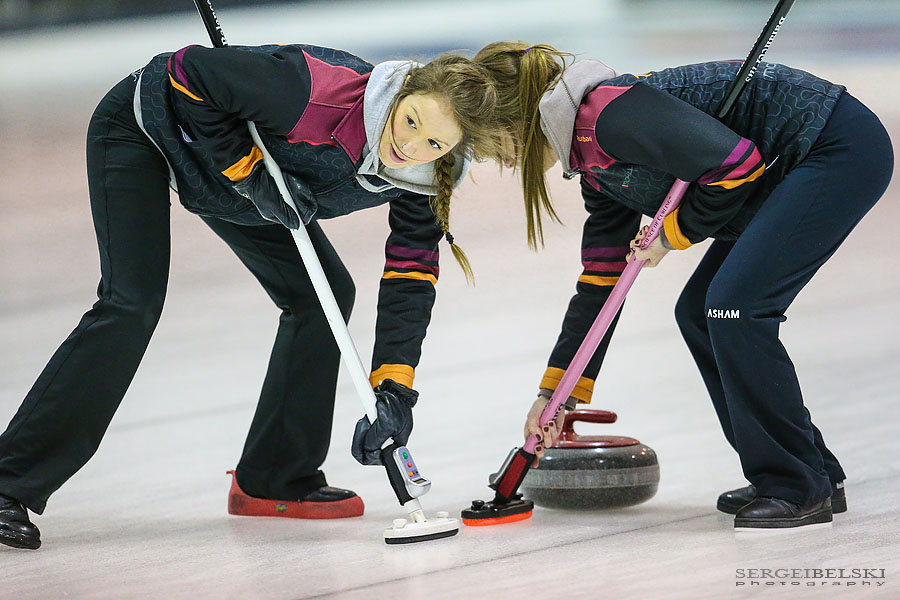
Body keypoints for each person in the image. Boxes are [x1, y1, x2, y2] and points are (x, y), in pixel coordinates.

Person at [0, 42, 506, 550]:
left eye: (435, 143)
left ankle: (275, 474)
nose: (411, 146)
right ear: (400, 92)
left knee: (323, 296)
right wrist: (248, 173)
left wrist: (394, 388)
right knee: (131, 303)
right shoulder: (316, 90)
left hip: (237, 183)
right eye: (411, 120)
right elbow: (187, 71)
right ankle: (9, 481)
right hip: (148, 130)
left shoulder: (429, 179)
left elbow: (410, 274)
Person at [474, 41, 893, 530]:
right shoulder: (591, 164)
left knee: (735, 308)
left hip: (830, 147)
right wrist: (556, 395)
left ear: (515, 124)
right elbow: (601, 283)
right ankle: (812, 471)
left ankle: (796, 486)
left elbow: (736, 164)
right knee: (700, 313)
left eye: (491, 146)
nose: (498, 161)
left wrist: (673, 234)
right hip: (788, 166)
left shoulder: (608, 115)